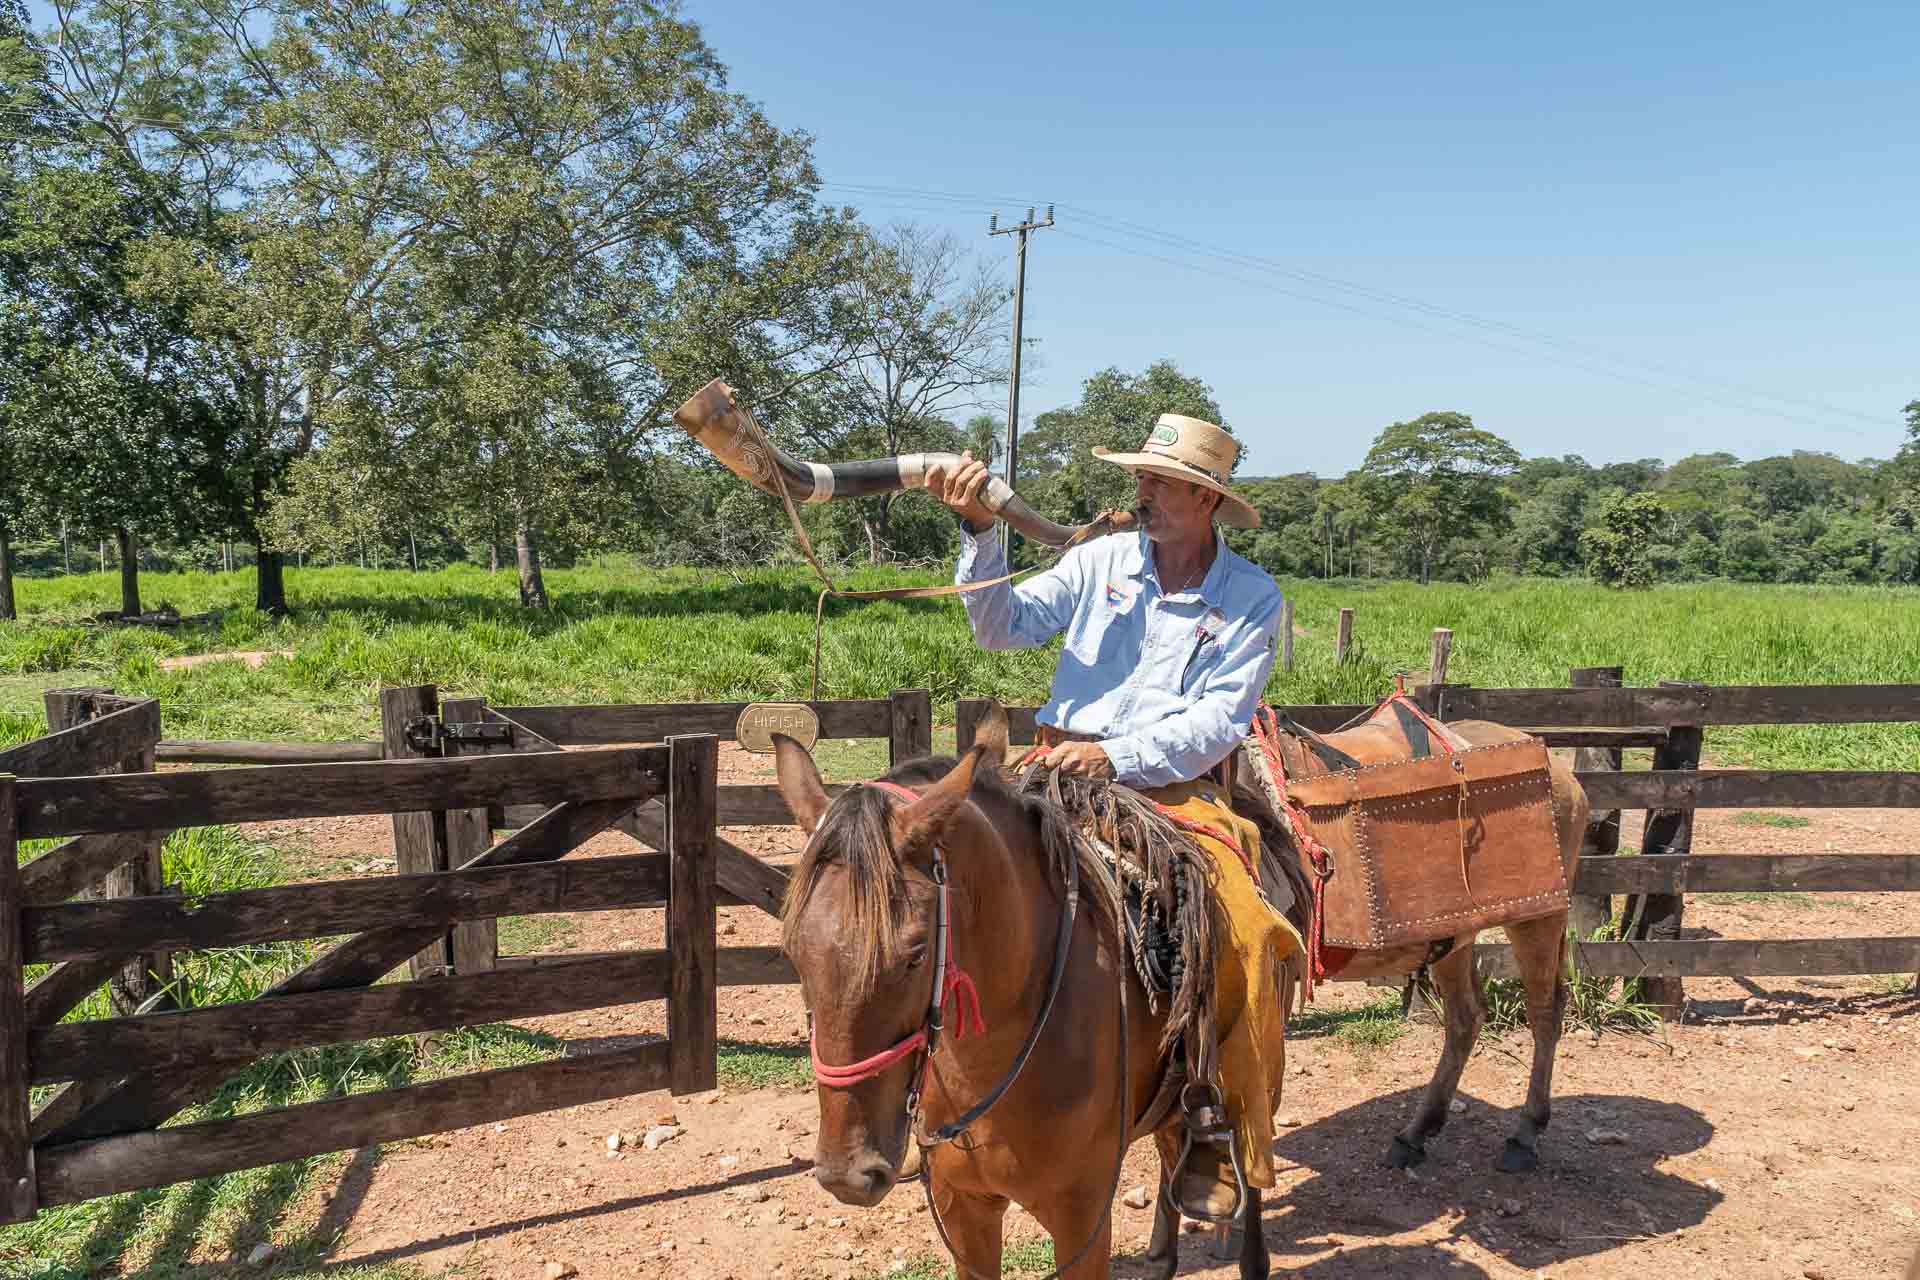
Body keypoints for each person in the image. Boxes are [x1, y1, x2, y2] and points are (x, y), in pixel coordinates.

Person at [924, 413, 1298, 1222]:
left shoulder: (1252, 599)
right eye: (1142, 476)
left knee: (1242, 923)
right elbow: (1000, 628)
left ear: (1204, 499)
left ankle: (1207, 1106)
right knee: (941, 878)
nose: (1143, 489)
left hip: (1166, 789)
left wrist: (1116, 756)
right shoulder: (1097, 560)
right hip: (1051, 765)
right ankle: (922, 1078)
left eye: (1159, 480)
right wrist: (979, 531)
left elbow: (1219, 722)